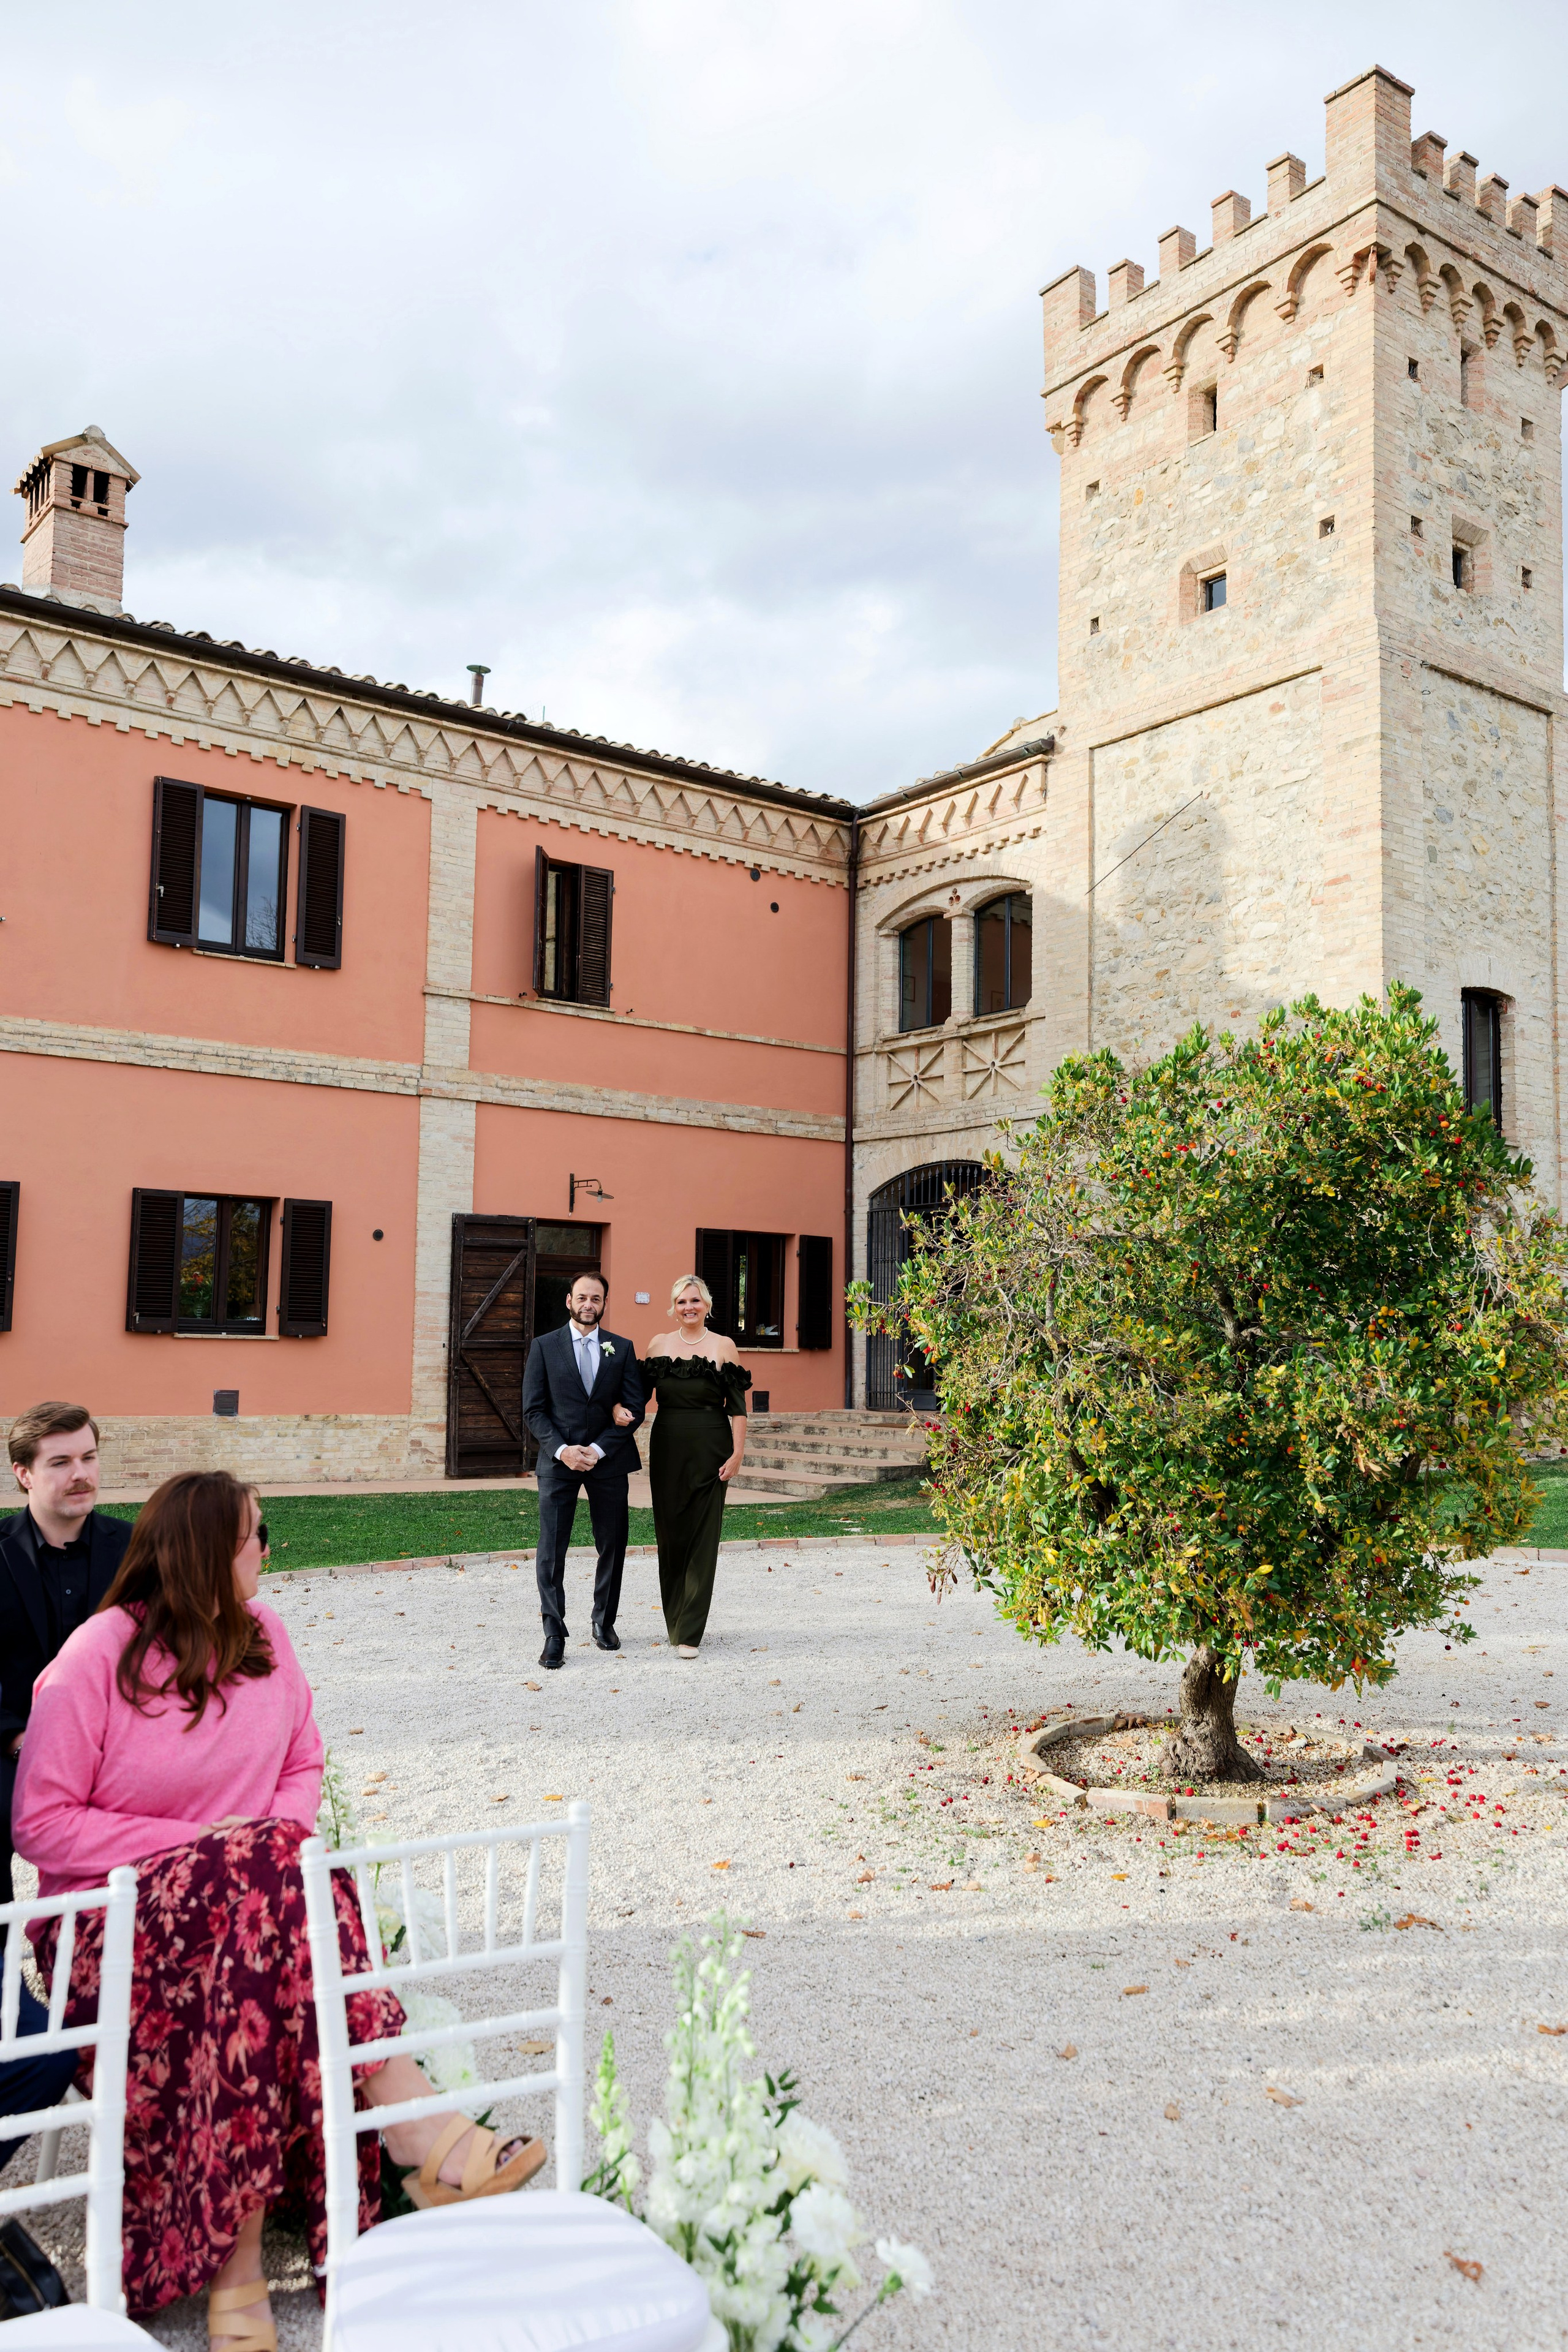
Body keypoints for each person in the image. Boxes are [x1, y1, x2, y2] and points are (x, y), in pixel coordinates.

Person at [12, 1471, 543, 2347]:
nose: (269, 1549)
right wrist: (197, 1846)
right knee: (271, 1875)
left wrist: (259, 1842)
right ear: (204, 1553)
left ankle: (240, 2264)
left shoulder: (265, 1635)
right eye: (256, 1535)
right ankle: (417, 2128)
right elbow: (41, 1824)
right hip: (113, 1926)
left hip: (258, 1923)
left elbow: (303, 1764)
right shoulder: (95, 1657)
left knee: (268, 1898)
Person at [0, 1403, 132, 1903]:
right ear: (24, 1474)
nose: (81, 1474)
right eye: (60, 1462)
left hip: (116, 1751)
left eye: (89, 1457)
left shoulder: (139, 1550)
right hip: (12, 1748)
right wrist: (18, 1739)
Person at [521, 1272, 647, 1668]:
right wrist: (563, 1451)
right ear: (569, 1301)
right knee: (551, 1549)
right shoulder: (544, 1347)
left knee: (613, 1543)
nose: (588, 1304)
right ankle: (554, 1634)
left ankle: (603, 1622)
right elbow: (533, 1410)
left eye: (596, 1298)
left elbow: (635, 1407)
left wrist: (596, 1449)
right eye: (582, 1297)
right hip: (558, 1462)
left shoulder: (621, 1348)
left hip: (607, 1461)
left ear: (604, 1303)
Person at [644, 1275, 751, 1658]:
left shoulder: (724, 1346)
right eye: (681, 1302)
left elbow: (738, 1410)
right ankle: (675, 1618)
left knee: (704, 1537)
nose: (688, 1307)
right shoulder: (658, 1345)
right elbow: (636, 1397)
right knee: (670, 1534)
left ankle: (690, 1631)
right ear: (673, 1307)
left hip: (712, 1450)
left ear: (706, 1304)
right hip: (667, 1448)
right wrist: (616, 1408)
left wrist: (737, 1454)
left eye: (695, 1300)